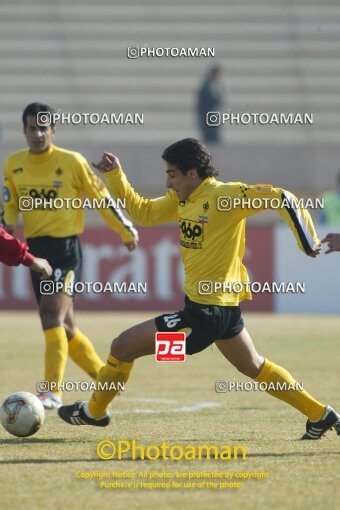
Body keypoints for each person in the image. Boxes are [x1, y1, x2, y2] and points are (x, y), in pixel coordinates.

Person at [58, 138, 339, 440]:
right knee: (254, 366)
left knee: (123, 346)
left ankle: (94, 413)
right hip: (222, 314)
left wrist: (307, 243)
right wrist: (115, 176)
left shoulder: (226, 196)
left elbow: (281, 198)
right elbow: (143, 214)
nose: (168, 182)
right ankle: (320, 415)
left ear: (192, 173)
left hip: (205, 315)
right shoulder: (182, 200)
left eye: (172, 174)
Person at [2, 102, 139, 410]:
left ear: (53, 130)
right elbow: (9, 204)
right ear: (23, 131)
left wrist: (126, 230)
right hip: (36, 252)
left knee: (50, 316)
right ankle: (105, 379)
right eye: (31, 128)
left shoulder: (72, 162)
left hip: (65, 252)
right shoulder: (13, 164)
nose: (37, 134)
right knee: (65, 327)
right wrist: (8, 228)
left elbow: (101, 199)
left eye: (42, 128)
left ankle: (51, 391)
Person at [196, 65, 226, 144]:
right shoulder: (208, 87)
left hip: (210, 120)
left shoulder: (208, 86)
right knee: (212, 142)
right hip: (209, 121)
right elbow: (217, 100)